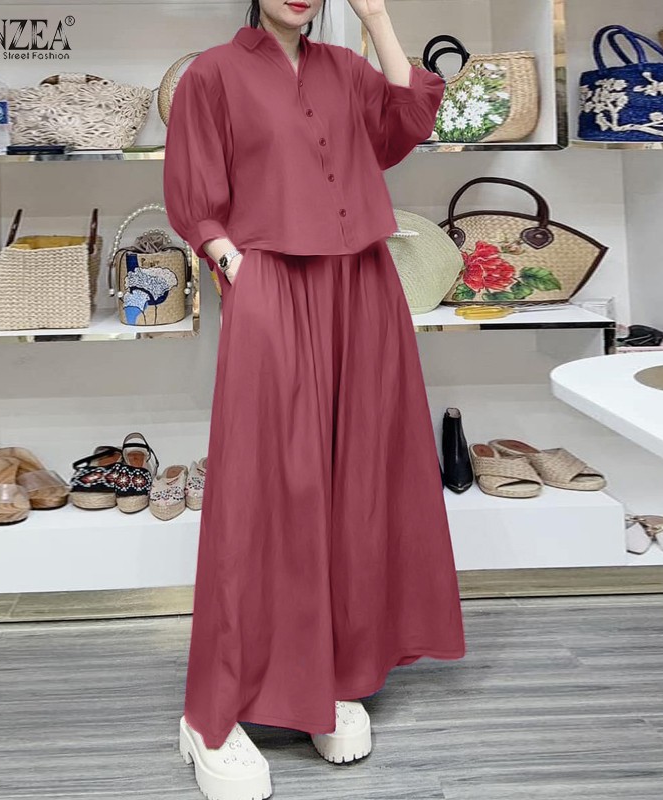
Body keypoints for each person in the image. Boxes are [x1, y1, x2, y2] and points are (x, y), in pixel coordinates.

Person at [163, 1, 466, 797]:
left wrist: (378, 15)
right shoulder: (212, 75)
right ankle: (209, 715)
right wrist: (237, 268)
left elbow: (408, 121)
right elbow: (194, 196)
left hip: (361, 289)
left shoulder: (346, 70)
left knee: (354, 484)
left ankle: (323, 676)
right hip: (272, 283)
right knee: (264, 491)